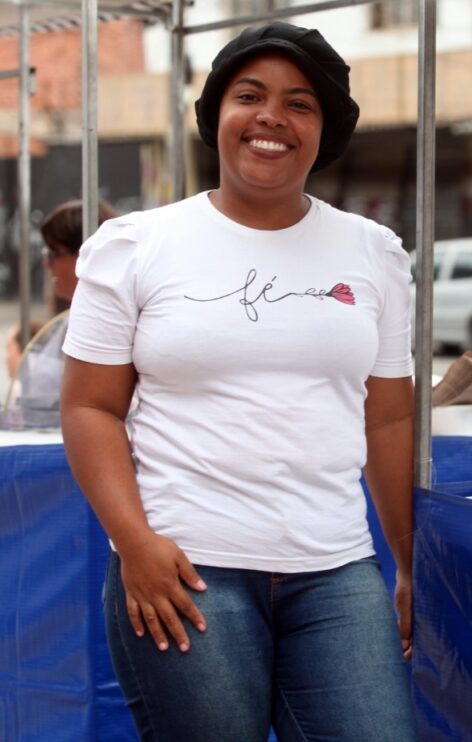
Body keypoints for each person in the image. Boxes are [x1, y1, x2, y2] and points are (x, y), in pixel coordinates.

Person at [60, 22, 416, 741]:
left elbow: (387, 419)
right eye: (249, 96)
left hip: (335, 570)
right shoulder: (135, 246)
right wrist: (135, 543)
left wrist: (409, 566)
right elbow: (90, 407)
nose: (271, 117)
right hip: (187, 568)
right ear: (215, 113)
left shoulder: (374, 253)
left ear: (325, 130)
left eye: (299, 104)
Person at [4, 199, 116, 397]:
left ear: (84, 254)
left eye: (53, 253)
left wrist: (18, 369)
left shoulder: (108, 323)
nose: (46, 264)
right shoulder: (77, 315)